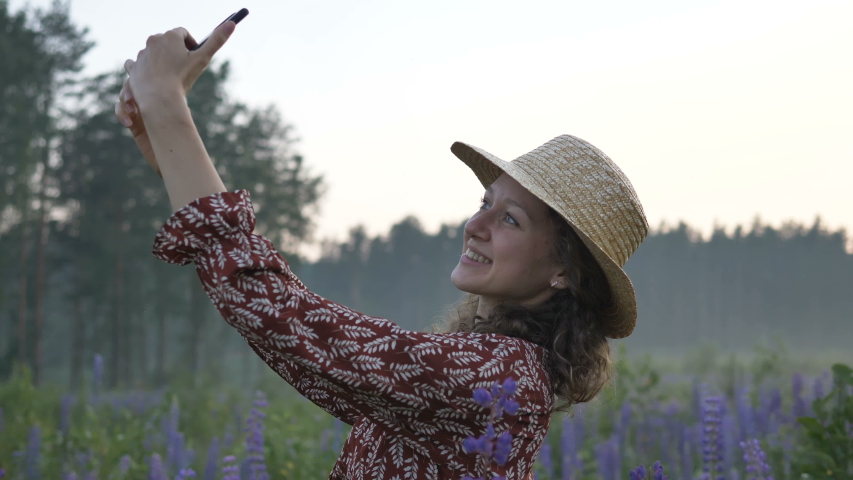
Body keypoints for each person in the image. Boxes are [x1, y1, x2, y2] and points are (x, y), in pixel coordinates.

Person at [115, 20, 649, 480]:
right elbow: (295, 335)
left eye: (509, 219)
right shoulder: (478, 365)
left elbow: (288, 320)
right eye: (483, 202)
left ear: (562, 270)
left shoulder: (501, 378)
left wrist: (168, 104)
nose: (475, 224)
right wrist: (165, 140)